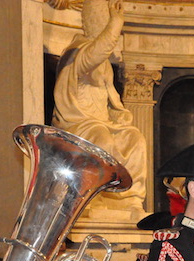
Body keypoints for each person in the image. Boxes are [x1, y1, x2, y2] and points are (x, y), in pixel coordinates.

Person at [53, 0, 146, 207]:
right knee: (101, 139)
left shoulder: (105, 65)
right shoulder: (77, 53)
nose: (104, 27)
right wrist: (115, 24)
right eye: (102, 22)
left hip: (103, 123)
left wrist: (120, 116)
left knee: (135, 139)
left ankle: (128, 199)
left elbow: (111, 102)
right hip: (78, 125)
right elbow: (96, 53)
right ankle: (96, 199)